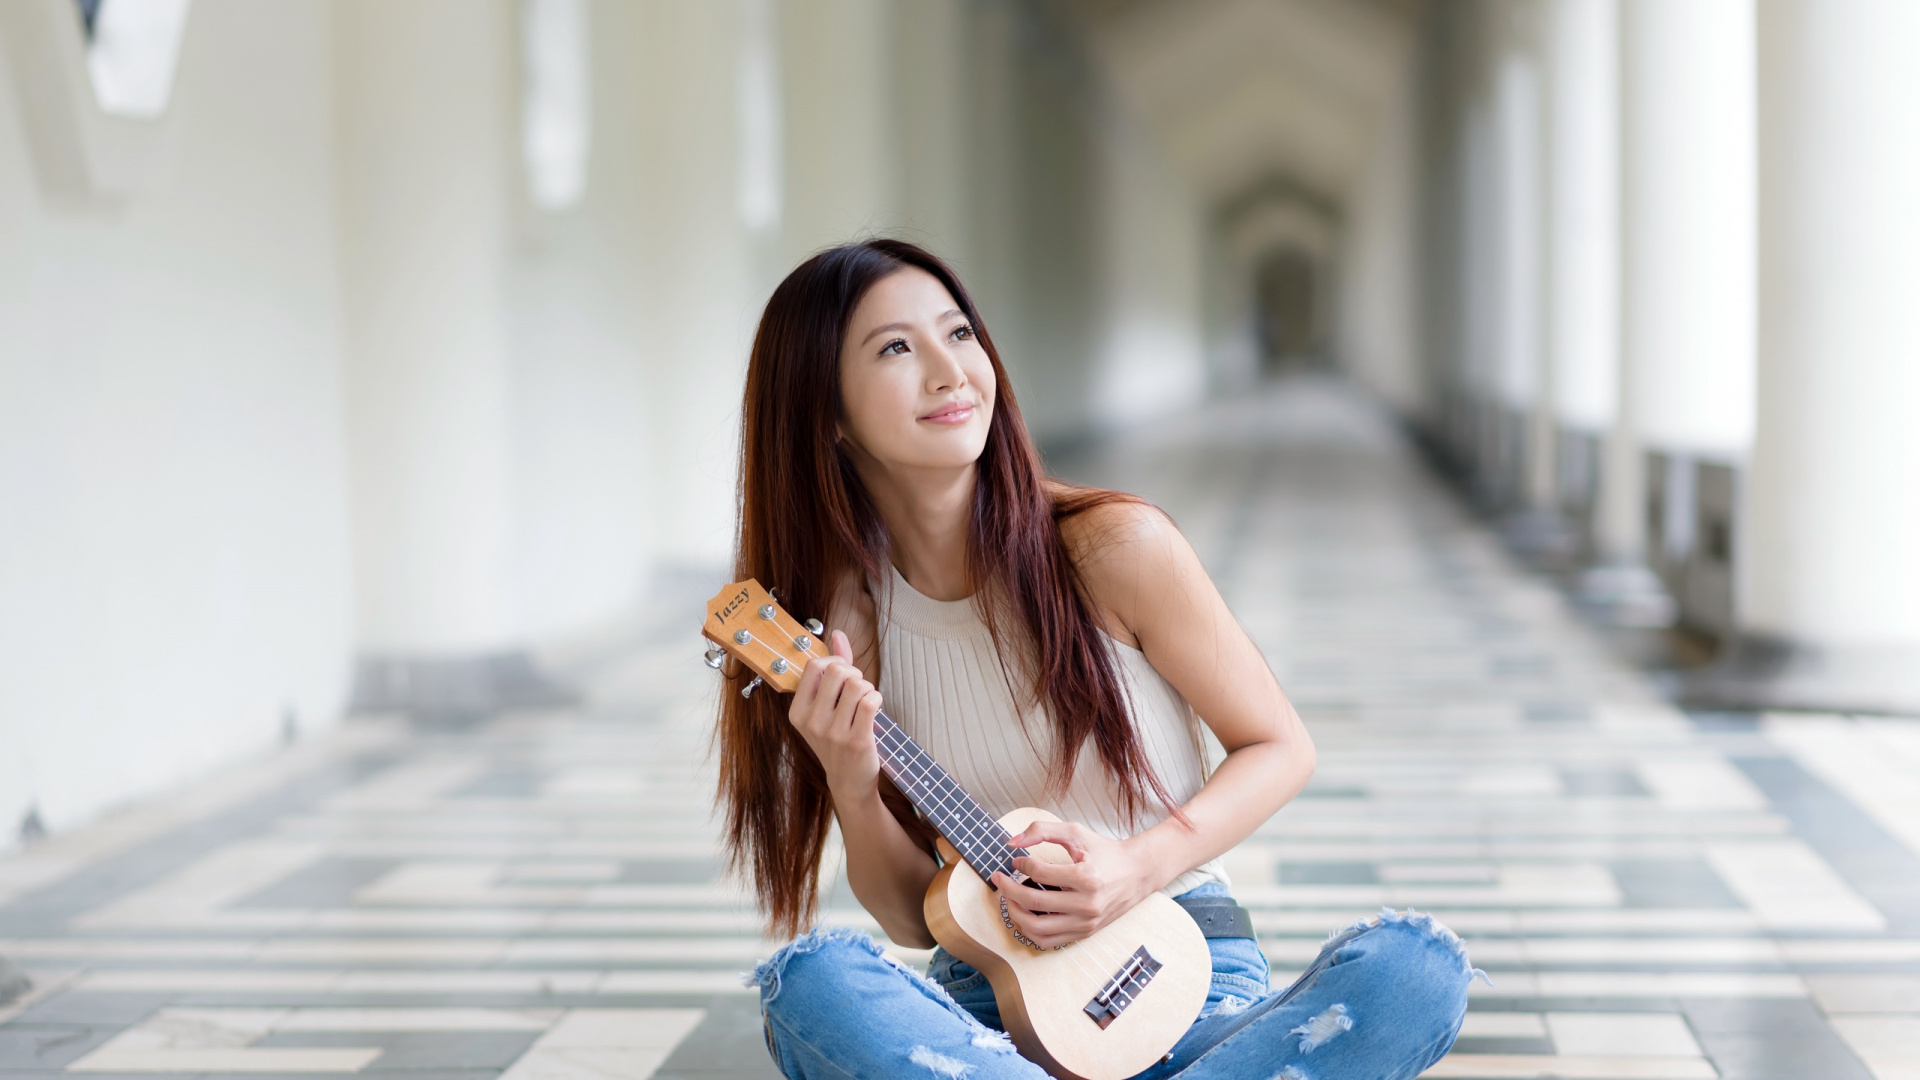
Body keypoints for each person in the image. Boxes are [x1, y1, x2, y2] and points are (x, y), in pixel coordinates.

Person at [717, 240, 1480, 1080]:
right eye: (897, 348)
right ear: (825, 411)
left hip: (1192, 984)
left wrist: (1132, 869)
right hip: (990, 1016)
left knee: (1417, 967)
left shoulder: (1112, 546)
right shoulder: (850, 625)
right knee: (812, 985)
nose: (950, 372)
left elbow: (1280, 745)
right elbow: (910, 918)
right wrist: (851, 782)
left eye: (959, 334)